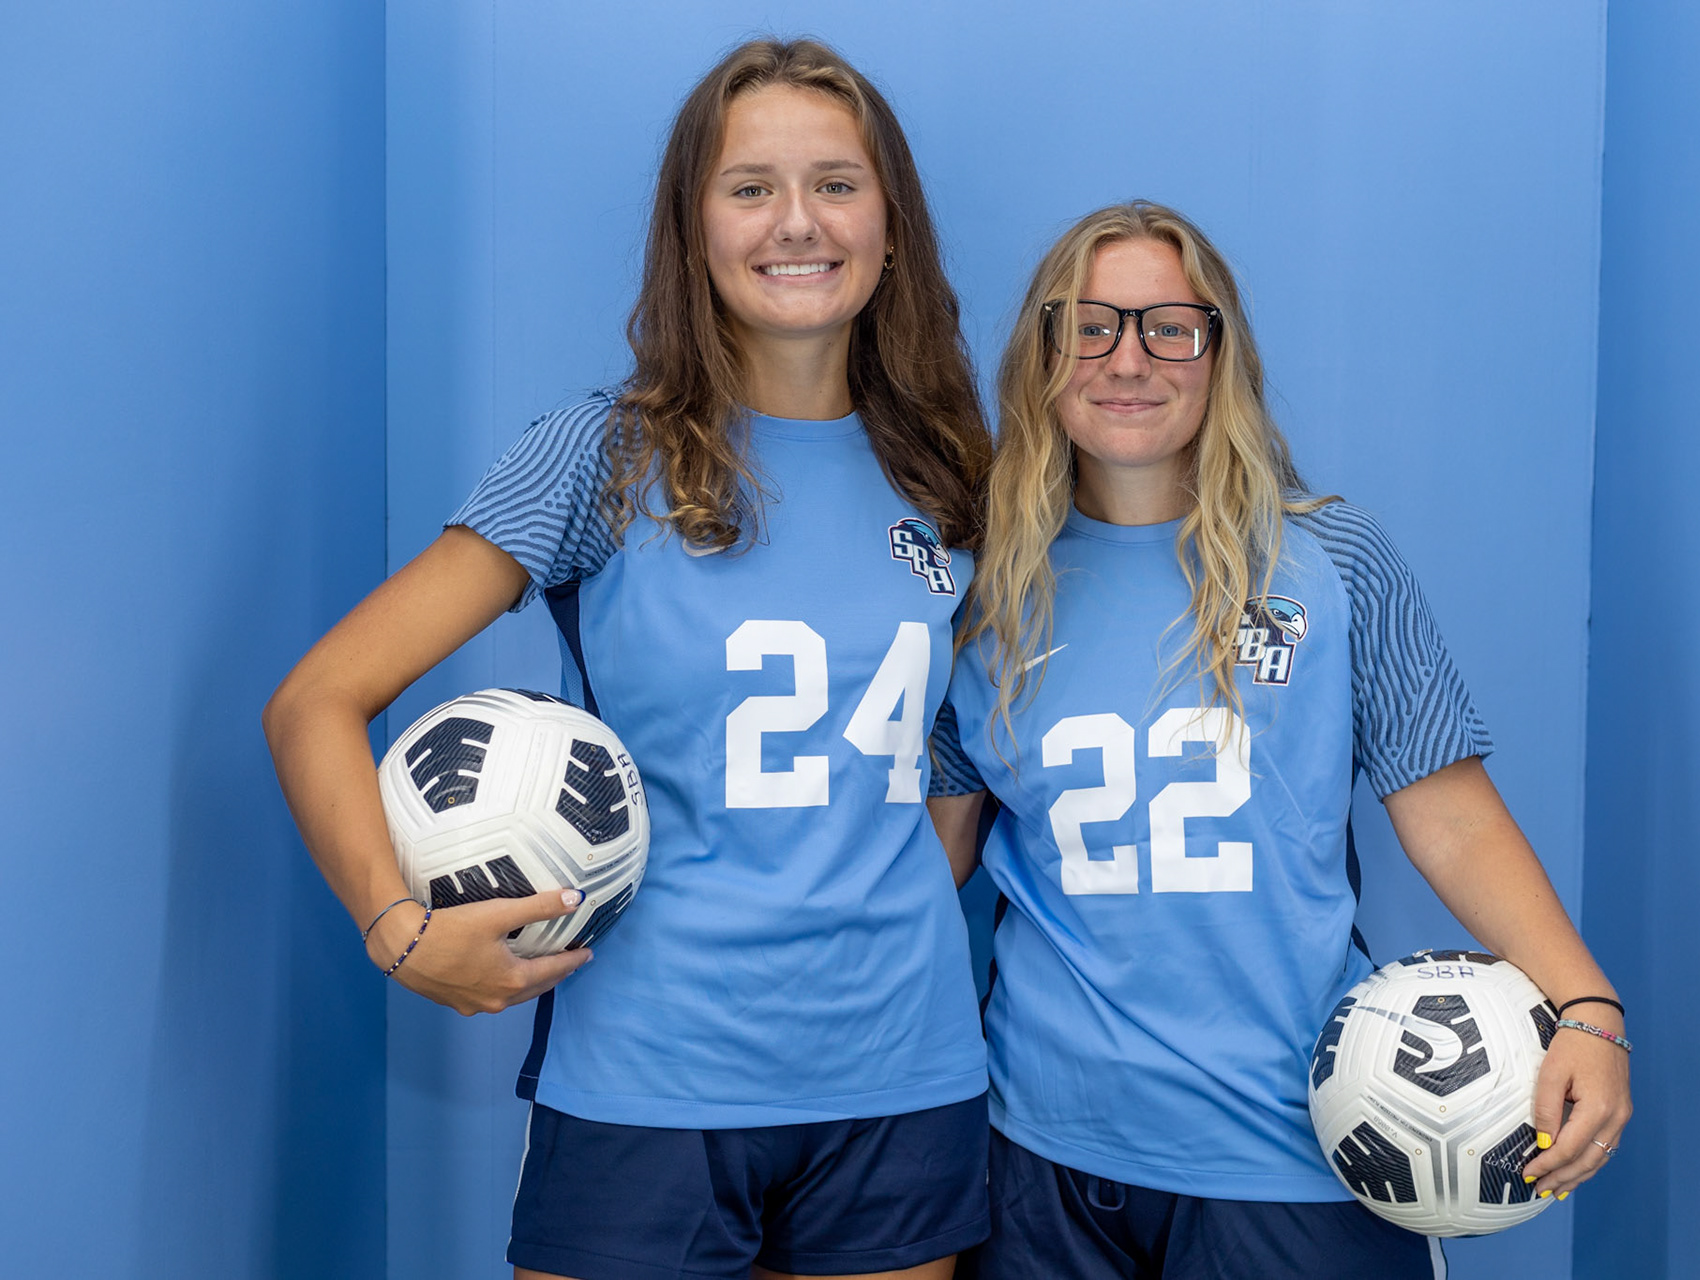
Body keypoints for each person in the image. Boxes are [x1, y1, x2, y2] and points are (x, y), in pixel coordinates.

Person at [264, 39, 994, 1280]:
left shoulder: (954, 471)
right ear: (693, 227)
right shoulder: (601, 456)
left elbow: (957, 747)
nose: (798, 221)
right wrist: (399, 930)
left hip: (902, 1080)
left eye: (836, 183)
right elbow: (317, 699)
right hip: (649, 1075)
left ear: (891, 222)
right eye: (750, 187)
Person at [926, 202, 1631, 1280]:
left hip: (1295, 1154)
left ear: (1221, 354)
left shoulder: (1331, 559)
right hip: (1042, 1161)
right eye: (1090, 326)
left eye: (1169, 328)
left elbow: (1448, 816)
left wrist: (1588, 1007)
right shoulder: (985, 592)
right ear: (1041, 355)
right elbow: (933, 858)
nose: (1128, 359)